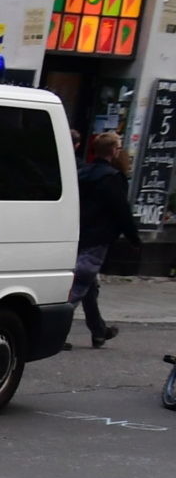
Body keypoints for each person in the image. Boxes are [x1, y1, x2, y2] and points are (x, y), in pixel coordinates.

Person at [72, 130, 137, 348]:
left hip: (77, 233)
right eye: (118, 147)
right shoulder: (111, 178)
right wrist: (134, 238)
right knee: (80, 282)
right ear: (113, 151)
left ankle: (99, 331)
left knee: (89, 285)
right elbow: (121, 210)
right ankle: (53, 330)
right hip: (97, 237)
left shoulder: (84, 172)